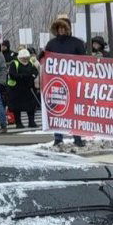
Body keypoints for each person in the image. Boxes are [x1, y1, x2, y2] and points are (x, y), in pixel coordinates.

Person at [44, 15, 87, 147]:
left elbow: (84, 61)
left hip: (74, 81)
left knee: (74, 109)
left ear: (68, 28)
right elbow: (46, 60)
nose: (61, 30)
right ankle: (58, 137)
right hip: (57, 81)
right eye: (58, 28)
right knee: (58, 109)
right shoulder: (51, 44)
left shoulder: (77, 43)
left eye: (63, 28)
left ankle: (77, 136)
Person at [7, 49, 39, 128]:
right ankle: (19, 123)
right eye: (23, 58)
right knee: (17, 107)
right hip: (17, 89)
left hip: (28, 89)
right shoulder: (14, 63)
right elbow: (12, 75)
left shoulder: (31, 63)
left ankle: (31, 122)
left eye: (26, 57)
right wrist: (24, 76)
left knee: (31, 106)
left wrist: (32, 76)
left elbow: (35, 72)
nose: (25, 59)